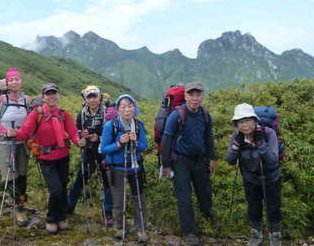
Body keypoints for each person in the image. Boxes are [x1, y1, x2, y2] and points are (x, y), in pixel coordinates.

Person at [7, 83, 80, 235]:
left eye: (54, 93)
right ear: (44, 97)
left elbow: (73, 132)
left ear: (58, 95)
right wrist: (15, 134)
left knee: (63, 187)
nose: (52, 96)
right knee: (56, 189)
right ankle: (51, 219)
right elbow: (26, 131)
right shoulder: (36, 113)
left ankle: (61, 217)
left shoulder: (63, 114)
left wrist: (79, 141)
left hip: (63, 156)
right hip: (46, 158)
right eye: (48, 94)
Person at [161, 82, 216, 246]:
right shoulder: (176, 115)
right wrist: (166, 164)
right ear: (185, 96)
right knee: (184, 197)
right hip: (181, 161)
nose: (195, 98)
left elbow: (208, 137)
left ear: (202, 96)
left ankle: (208, 220)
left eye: (198, 94)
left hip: (200, 160)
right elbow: (167, 140)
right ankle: (189, 232)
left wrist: (212, 158)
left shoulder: (205, 114)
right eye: (191, 94)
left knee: (205, 193)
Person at [226, 103, 282, 246]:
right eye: (240, 122)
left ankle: (275, 238)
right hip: (250, 179)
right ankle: (255, 236)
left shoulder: (269, 133)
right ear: (236, 124)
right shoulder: (236, 136)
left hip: (271, 178)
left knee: (273, 207)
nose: (244, 125)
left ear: (255, 120)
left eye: (247, 120)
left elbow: (272, 161)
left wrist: (260, 144)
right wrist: (236, 146)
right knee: (253, 207)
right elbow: (230, 160)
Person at [101, 94, 148, 242]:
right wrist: (119, 143)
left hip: (135, 168)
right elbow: (104, 149)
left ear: (134, 108)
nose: (127, 109)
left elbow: (143, 146)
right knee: (118, 200)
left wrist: (135, 141)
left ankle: (141, 229)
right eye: (123, 107)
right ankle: (120, 228)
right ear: (118, 110)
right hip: (116, 168)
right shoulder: (111, 126)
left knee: (139, 199)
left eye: (129, 106)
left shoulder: (139, 125)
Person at [0, 68, 33, 225]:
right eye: (12, 80)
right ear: (7, 83)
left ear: (21, 82)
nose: (15, 82)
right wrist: (5, 131)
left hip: (22, 143)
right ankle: (18, 209)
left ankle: (23, 199)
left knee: (22, 173)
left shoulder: (26, 100)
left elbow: (32, 120)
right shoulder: (0, 100)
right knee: (10, 176)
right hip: (5, 143)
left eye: (17, 79)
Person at [67, 85, 113, 226]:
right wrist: (82, 136)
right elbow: (77, 132)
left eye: (95, 96)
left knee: (107, 182)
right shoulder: (82, 114)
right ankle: (68, 208)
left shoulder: (107, 114)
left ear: (100, 98)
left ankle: (108, 213)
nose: (92, 100)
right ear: (85, 99)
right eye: (89, 97)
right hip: (88, 152)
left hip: (103, 153)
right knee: (80, 180)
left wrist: (98, 137)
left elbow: (112, 134)